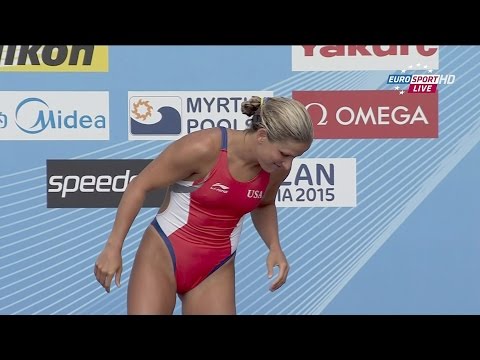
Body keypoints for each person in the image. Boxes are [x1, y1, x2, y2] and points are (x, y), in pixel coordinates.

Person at [93, 96, 314, 314]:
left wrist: (274, 246)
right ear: (262, 136)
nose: (288, 164)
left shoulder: (276, 169)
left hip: (216, 268)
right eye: (284, 154)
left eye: (295, 157)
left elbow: (264, 205)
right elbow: (139, 186)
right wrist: (113, 247)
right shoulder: (204, 147)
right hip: (164, 254)